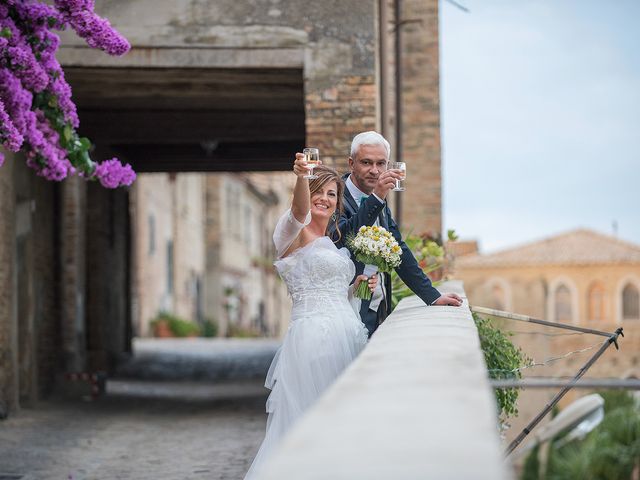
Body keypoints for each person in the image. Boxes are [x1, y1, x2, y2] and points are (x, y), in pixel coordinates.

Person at [244, 161, 376, 479]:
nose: (325, 198)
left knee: (341, 422)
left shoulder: (332, 241)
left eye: (332, 193)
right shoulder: (293, 232)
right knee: (311, 420)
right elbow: (299, 210)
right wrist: (303, 176)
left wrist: (357, 287)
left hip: (346, 334)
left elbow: (332, 290)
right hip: (313, 337)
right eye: (319, 191)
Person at [333, 131, 463, 337]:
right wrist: (377, 197)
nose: (374, 171)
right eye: (366, 163)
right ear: (351, 164)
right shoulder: (335, 195)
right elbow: (342, 238)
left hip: (378, 308)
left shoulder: (379, 200)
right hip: (344, 308)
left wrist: (432, 296)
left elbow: (398, 248)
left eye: (381, 163)